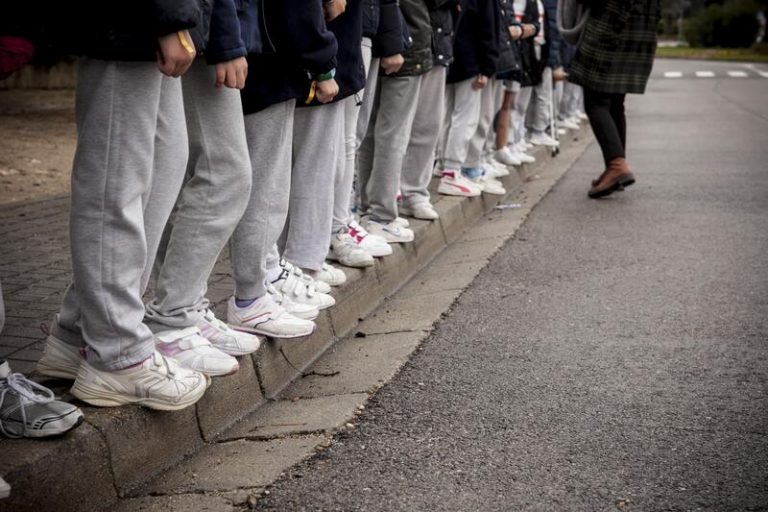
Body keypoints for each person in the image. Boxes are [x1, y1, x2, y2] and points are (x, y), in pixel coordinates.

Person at [36, 1, 209, 410]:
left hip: (150, 22)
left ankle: (79, 330)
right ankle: (117, 354)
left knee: (160, 167)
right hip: (128, 20)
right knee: (116, 182)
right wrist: (169, 17)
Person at [143, 0, 262, 377]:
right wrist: (227, 40)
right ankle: (172, 316)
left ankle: (184, 308)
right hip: (197, 24)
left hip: (202, 22)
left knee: (196, 173)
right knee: (222, 173)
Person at [567, 0, 660, 198]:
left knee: (596, 103)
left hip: (610, 30)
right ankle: (615, 168)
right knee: (615, 103)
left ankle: (617, 166)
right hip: (639, 30)